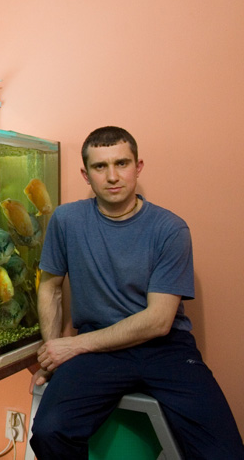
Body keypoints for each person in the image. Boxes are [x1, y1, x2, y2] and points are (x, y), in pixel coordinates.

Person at [29, 126, 244, 459]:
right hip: (99, 351)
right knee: (48, 432)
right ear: (86, 175)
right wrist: (53, 351)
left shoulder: (170, 229)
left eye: (122, 163)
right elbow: (50, 286)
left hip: (164, 348)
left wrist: (72, 346)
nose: (112, 176)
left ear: (138, 167)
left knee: (225, 454)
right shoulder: (66, 220)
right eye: (100, 166)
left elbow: (158, 321)